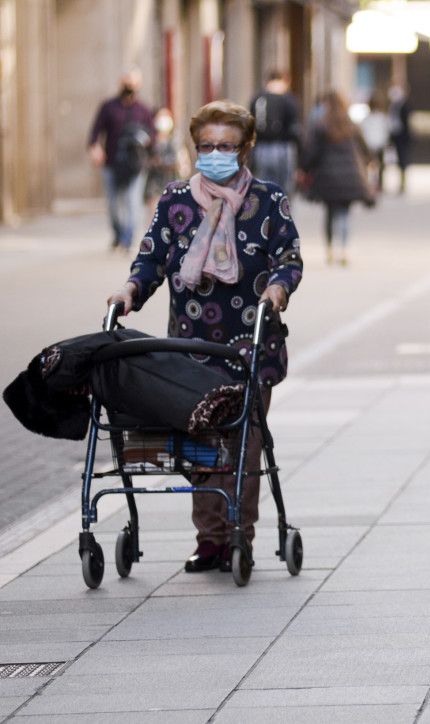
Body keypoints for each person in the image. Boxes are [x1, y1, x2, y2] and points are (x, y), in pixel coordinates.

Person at [105, 100, 303, 573]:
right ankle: (210, 540)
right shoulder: (175, 201)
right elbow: (151, 260)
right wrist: (131, 290)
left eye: (226, 146)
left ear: (245, 148)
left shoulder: (269, 201)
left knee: (244, 445)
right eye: (207, 146)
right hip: (192, 348)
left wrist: (277, 288)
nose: (216, 154)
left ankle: (240, 537)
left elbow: (289, 259)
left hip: (251, 346)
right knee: (200, 444)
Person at [301, 91, 374, 266]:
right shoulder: (352, 126)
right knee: (344, 214)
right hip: (350, 177)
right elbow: (366, 150)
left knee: (330, 214)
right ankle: (344, 249)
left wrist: (305, 168)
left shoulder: (320, 126)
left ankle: (330, 249)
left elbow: (312, 153)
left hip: (327, 178)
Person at [88, 70, 155, 251]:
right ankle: (118, 234)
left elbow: (153, 135)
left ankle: (128, 238)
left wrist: (147, 143)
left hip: (135, 165)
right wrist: (95, 148)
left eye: (132, 84)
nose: (129, 87)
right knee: (113, 204)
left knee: (133, 201)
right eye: (126, 83)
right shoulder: (108, 107)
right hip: (112, 164)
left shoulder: (144, 110)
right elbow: (95, 131)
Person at [248, 70, 302, 195]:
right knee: (284, 187)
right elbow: (295, 128)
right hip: (284, 147)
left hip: (261, 148)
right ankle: (281, 211)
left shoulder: (257, 98)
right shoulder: (288, 100)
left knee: (264, 185)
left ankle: (267, 211)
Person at [144, 109, 187, 202]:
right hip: (155, 181)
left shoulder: (175, 138)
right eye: (159, 117)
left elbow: (176, 161)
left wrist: (160, 162)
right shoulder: (152, 139)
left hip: (172, 180)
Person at [359, 90, 391, 195]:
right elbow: (386, 131)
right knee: (378, 166)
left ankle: (371, 184)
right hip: (377, 144)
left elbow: (363, 131)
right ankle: (377, 185)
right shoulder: (381, 118)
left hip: (371, 144)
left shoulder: (369, 118)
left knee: (372, 166)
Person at [387, 83, 413, 194]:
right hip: (395, 135)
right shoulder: (392, 106)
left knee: (403, 159)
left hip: (403, 136)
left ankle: (402, 182)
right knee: (396, 159)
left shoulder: (405, 106)